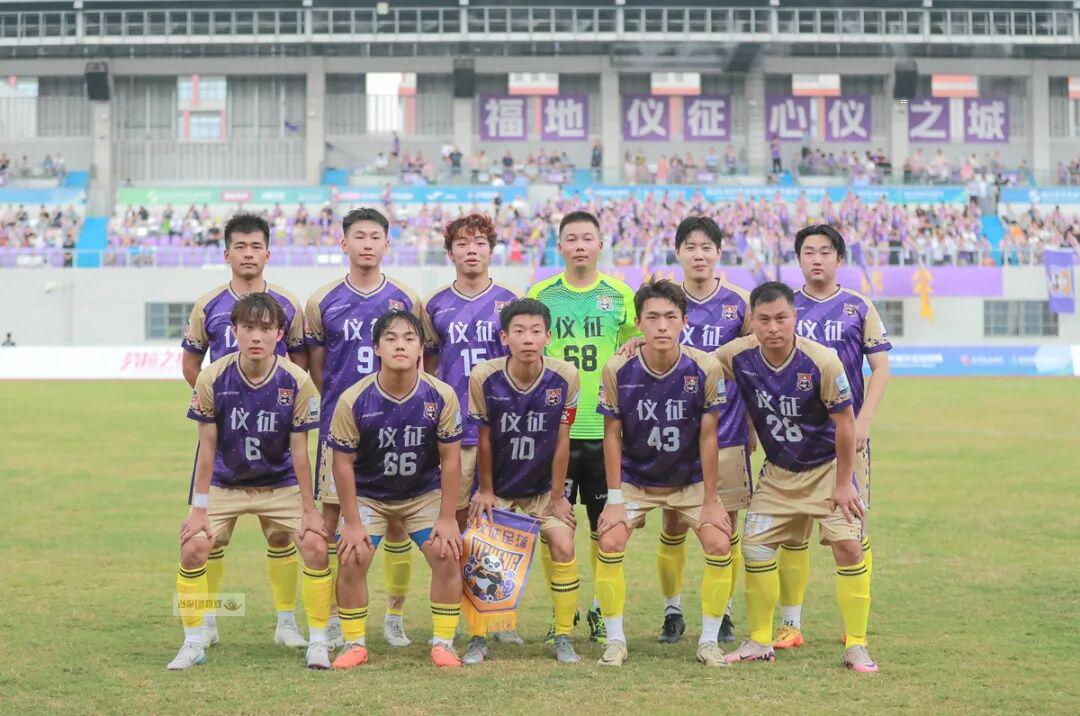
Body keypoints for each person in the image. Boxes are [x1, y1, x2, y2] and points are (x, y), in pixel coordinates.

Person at [715, 282, 877, 673]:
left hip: (827, 470)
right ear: (752, 321)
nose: (773, 328)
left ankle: (857, 645)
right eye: (764, 320)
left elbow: (846, 423)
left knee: (849, 547)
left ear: (795, 317)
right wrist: (639, 345)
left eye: (781, 318)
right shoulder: (737, 355)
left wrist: (843, 484)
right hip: (779, 472)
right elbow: (692, 364)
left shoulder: (822, 361)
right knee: (755, 547)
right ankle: (759, 640)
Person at [168, 293, 331, 670]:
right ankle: (194, 641)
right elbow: (207, 447)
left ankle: (318, 642)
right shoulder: (212, 377)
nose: (257, 336)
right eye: (248, 328)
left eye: (266, 328)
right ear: (235, 331)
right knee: (193, 547)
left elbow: (301, 452)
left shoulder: (298, 381)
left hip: (280, 484)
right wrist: (198, 509)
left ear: (279, 334)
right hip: (226, 483)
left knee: (316, 547)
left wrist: (309, 509)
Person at [178, 213, 308, 650]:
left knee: (281, 534)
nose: (248, 254)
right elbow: (191, 363)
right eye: (240, 247)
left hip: (276, 438)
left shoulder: (288, 303)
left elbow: (300, 366)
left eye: (256, 247)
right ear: (227, 253)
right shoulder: (208, 305)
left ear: (267, 254)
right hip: (225, 437)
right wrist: (218, 404)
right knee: (208, 539)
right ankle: (207, 621)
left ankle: (286, 623)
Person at [593, 280, 733, 667]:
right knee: (609, 540)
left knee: (720, 543)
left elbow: (709, 437)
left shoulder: (705, 367)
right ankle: (615, 641)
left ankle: (709, 642)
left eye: (670, 317)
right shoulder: (618, 367)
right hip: (636, 480)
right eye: (652, 317)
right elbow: (612, 435)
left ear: (684, 321)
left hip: (689, 481)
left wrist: (711, 499)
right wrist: (615, 499)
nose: (661, 325)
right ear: (638, 323)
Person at [305, 208, 423, 649]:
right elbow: (318, 370)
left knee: (397, 522)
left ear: (387, 244)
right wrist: (344, 407)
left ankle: (395, 616)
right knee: (333, 523)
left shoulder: (406, 299)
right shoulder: (322, 301)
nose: (367, 244)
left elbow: (417, 362)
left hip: (396, 428)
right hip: (342, 430)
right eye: (359, 236)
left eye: (376, 236)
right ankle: (334, 618)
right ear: (344, 244)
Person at [770, 224, 891, 650]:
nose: (816, 258)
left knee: (853, 529)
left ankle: (855, 626)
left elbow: (881, 367)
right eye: (808, 251)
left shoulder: (858, 306)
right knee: (791, 532)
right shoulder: (785, 307)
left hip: (845, 437)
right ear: (798, 259)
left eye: (825, 251)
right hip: (791, 436)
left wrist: (865, 419)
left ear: (839, 258)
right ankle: (790, 624)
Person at [327, 309, 465, 669]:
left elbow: (451, 460)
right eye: (390, 338)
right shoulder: (354, 398)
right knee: (352, 555)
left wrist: (447, 517)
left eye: (408, 338)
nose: (400, 345)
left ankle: (444, 642)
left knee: (448, 553)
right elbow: (342, 464)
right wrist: (352, 523)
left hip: (422, 494)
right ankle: (354, 643)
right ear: (376, 348)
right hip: (370, 494)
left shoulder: (441, 395)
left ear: (421, 348)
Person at [527, 210, 639, 644]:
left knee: (603, 528)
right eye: (571, 238)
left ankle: (599, 610)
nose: (579, 245)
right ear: (559, 246)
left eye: (587, 238)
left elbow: (636, 346)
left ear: (600, 245)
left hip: (604, 430)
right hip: (556, 431)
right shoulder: (542, 294)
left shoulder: (619, 294)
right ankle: (563, 613)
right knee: (554, 526)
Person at [464, 298, 582, 664]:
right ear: (504, 337)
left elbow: (562, 439)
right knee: (479, 549)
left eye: (535, 331)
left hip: (542, 488)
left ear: (548, 336)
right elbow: (483, 439)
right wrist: (485, 490)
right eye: (519, 331)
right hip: (497, 485)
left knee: (563, 542)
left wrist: (558, 496)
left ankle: (563, 635)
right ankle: (479, 636)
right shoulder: (484, 376)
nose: (528, 339)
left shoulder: (566, 376)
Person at [658, 217, 754, 644]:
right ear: (678, 252)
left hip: (728, 431)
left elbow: (753, 367)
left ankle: (724, 613)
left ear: (719, 252)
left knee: (725, 526)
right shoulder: (664, 299)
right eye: (690, 247)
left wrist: (752, 425)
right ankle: (672, 611)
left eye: (706, 247)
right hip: (672, 432)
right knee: (673, 524)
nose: (699, 255)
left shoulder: (740, 303)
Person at [421, 214, 517, 533]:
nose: (471, 250)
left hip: (502, 428)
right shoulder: (434, 304)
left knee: (498, 523)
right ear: (451, 253)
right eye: (462, 243)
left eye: (479, 242)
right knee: (454, 518)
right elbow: (430, 368)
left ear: (491, 250)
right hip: (455, 429)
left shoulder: (511, 302)